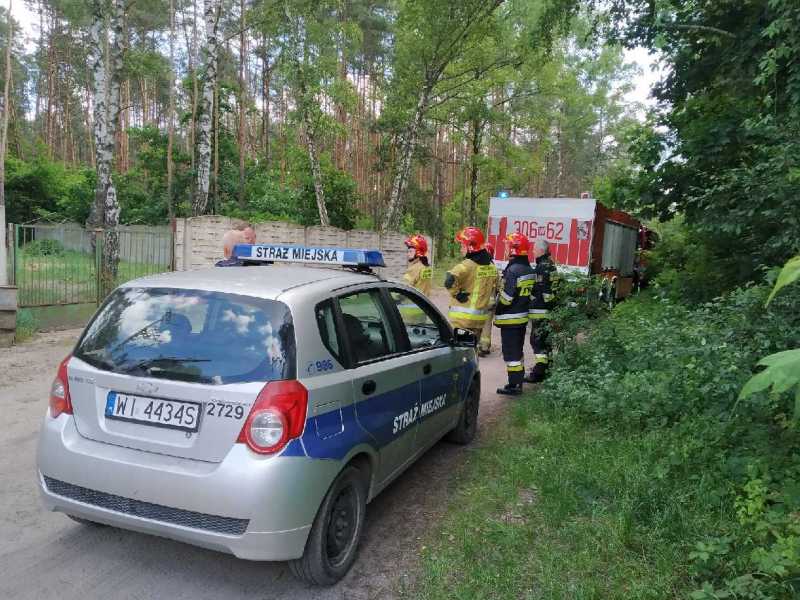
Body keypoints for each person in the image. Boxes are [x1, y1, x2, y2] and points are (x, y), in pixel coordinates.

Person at [493, 232, 535, 395]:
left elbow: (507, 297)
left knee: (511, 354)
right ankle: (518, 382)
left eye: (507, 246)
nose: (505, 249)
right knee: (518, 351)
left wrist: (497, 307)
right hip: (521, 318)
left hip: (510, 319)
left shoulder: (512, 271)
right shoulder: (528, 269)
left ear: (513, 250)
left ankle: (514, 385)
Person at [445, 226, 497, 341]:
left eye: (462, 246)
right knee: (472, 352)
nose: (460, 249)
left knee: (459, 353)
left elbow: (449, 280)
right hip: (479, 321)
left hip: (462, 321)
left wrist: (457, 294)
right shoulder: (492, 267)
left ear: (471, 247)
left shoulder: (466, 265)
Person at [525, 238, 557, 383]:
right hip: (547, 311)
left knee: (537, 341)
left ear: (540, 250)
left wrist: (545, 305)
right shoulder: (551, 265)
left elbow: (545, 291)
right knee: (545, 341)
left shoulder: (542, 268)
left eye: (534, 249)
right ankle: (547, 368)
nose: (532, 251)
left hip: (541, 311)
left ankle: (539, 372)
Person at [399, 234, 434, 324]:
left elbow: (402, 290)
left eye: (410, 251)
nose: (408, 254)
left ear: (418, 252)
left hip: (409, 315)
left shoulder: (413, 269)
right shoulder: (426, 267)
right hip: (422, 311)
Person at [478, 242, 499, 356]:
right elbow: (499, 285)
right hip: (491, 303)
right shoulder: (494, 269)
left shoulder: (479, 267)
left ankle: (477, 346)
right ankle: (485, 347)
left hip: (480, 301)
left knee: (477, 324)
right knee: (487, 326)